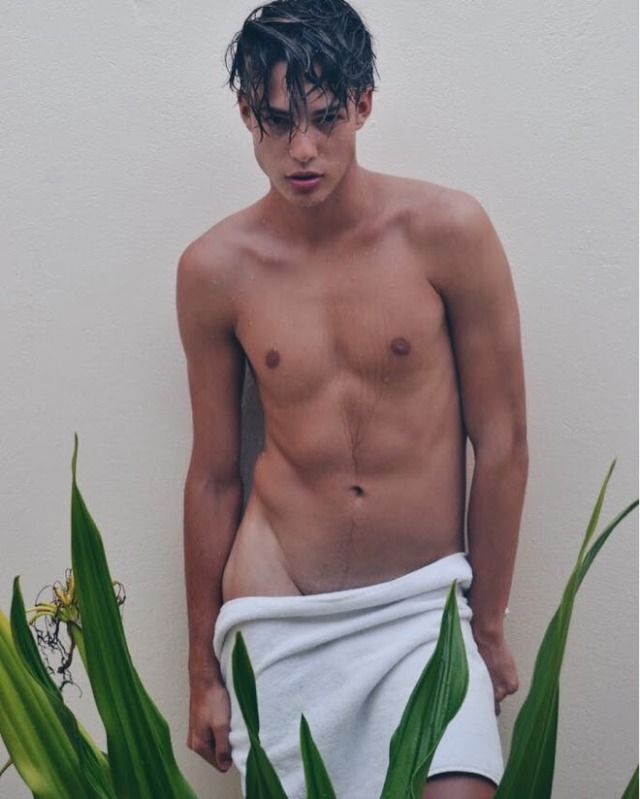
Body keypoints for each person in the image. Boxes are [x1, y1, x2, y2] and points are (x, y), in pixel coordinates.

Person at [177, 1, 528, 796]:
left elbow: (503, 440)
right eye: (277, 122)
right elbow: (214, 476)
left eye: (325, 118)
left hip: (418, 611)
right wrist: (202, 668)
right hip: (279, 620)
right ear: (247, 116)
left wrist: (488, 623)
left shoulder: (448, 232)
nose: (302, 150)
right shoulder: (215, 270)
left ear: (363, 103)